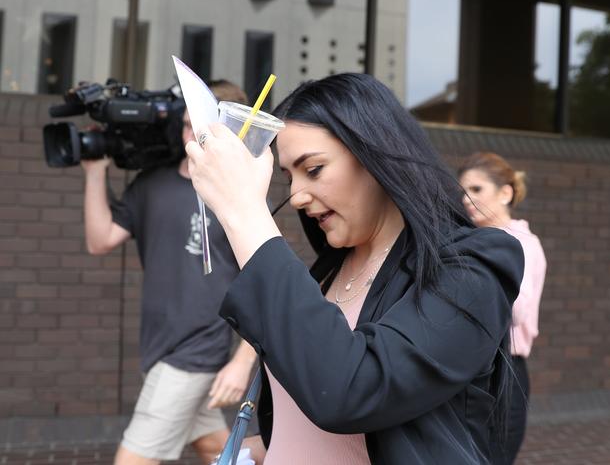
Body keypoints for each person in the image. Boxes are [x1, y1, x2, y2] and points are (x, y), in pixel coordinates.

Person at [185, 73, 524, 464]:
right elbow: (304, 428)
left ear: (375, 154)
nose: (295, 196)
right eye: (288, 176)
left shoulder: (471, 266)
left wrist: (245, 213)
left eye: (313, 169)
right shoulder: (326, 272)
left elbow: (349, 392)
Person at [81, 81, 256, 465]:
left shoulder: (236, 196)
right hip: (159, 348)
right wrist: (95, 172)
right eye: (187, 124)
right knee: (219, 451)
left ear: (228, 129)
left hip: (194, 353)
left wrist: (242, 361)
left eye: (204, 124)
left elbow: (264, 284)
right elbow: (100, 240)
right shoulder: (153, 183)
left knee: (131, 460)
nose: (193, 134)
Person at [458, 152, 547, 465]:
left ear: (505, 193)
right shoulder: (473, 240)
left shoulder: (522, 243)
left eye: (477, 189)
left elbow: (518, 311)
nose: (467, 199)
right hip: (471, 367)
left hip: (504, 371)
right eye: (464, 191)